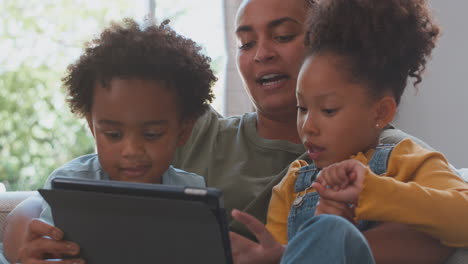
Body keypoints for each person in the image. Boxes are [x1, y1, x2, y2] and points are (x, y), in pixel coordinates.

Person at [1, 0, 461, 262]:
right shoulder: (194, 132)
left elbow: (440, 231)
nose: (260, 53)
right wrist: (20, 230)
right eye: (245, 42)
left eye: (282, 36)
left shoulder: (391, 155)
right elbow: (64, 193)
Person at [229, 0, 468, 263]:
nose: (308, 126)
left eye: (329, 110)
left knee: (332, 230)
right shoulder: (292, 184)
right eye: (303, 108)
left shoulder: (405, 160)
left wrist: (372, 191)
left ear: (381, 113)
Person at [1, 18, 216, 263]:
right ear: (93, 128)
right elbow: (48, 251)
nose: (131, 151)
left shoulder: (192, 193)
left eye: (152, 134)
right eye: (113, 135)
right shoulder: (70, 185)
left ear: (183, 131)